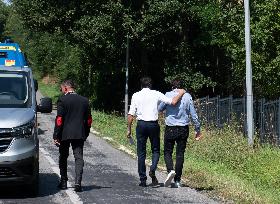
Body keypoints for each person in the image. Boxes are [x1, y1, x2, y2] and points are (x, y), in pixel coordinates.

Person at [127, 77, 186, 187]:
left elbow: (130, 115)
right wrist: (181, 92)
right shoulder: (156, 93)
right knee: (155, 150)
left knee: (141, 153)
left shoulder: (136, 95)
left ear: (141, 85)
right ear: (150, 85)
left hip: (141, 125)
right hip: (153, 125)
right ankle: (153, 169)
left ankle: (143, 180)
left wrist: (129, 129)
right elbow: (173, 102)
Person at [158, 79, 201, 188]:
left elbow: (160, 108)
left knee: (167, 151)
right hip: (183, 128)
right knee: (180, 154)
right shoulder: (187, 96)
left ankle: (170, 170)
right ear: (181, 87)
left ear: (172, 86)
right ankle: (177, 181)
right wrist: (197, 129)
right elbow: (193, 114)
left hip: (170, 127)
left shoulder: (167, 94)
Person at [53, 79, 92, 192]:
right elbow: (89, 120)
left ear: (66, 88)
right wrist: (86, 132)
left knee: (63, 157)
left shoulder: (62, 100)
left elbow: (59, 120)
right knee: (78, 157)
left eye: (62, 88)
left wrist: (56, 135)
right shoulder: (85, 100)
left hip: (64, 133)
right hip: (79, 133)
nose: (61, 91)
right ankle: (78, 183)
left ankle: (64, 182)